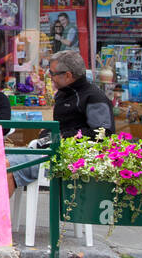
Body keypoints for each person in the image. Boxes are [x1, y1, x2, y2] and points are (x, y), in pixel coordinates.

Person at [44, 51, 115, 190]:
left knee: (11, 168)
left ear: (68, 75)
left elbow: (104, 133)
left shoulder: (94, 97)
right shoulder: (63, 92)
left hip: (80, 162)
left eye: (52, 73)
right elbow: (62, 125)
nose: (50, 77)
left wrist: (65, 136)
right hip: (56, 154)